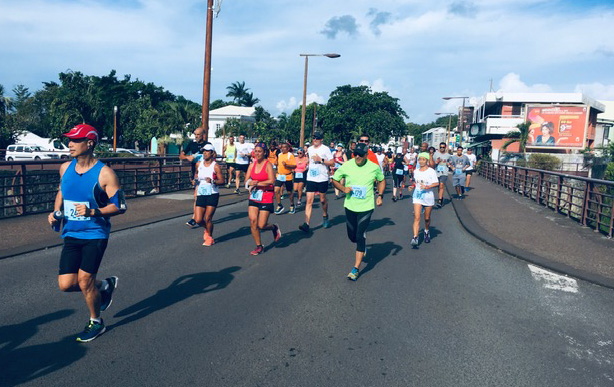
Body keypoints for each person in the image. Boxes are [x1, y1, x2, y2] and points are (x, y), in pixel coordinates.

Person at [48, 124, 126, 342]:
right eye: (69, 140)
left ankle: (96, 321)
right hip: (71, 232)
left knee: (84, 280)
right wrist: (56, 212)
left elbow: (120, 206)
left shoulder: (105, 174)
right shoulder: (65, 168)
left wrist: (93, 211)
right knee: (66, 285)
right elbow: (62, 192)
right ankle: (104, 286)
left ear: (89, 143)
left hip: (95, 233)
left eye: (75, 140)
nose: (70, 144)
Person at [332, 142, 385, 281]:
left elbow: (382, 180)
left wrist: (380, 195)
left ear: (366, 155)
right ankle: (362, 246)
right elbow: (335, 179)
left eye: (361, 155)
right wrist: (343, 189)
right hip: (350, 205)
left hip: (366, 206)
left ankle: (355, 269)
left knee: (360, 236)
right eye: (356, 154)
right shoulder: (348, 165)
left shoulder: (373, 167)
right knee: (352, 237)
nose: (358, 157)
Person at [246, 142, 281, 255]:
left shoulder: (268, 165)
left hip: (266, 195)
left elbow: (272, 181)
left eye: (259, 151)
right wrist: (250, 183)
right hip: (254, 195)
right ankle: (259, 246)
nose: (257, 153)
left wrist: (258, 183)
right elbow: (246, 181)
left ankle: (273, 227)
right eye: (255, 151)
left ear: (264, 152)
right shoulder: (252, 165)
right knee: (253, 221)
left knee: (261, 225)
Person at [299, 131, 334, 233]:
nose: (314, 140)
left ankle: (325, 215)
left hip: (322, 178)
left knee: (322, 200)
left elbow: (332, 162)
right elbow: (310, 161)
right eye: (313, 138)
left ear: (321, 139)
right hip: (311, 178)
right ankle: (307, 224)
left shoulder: (325, 149)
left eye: (317, 138)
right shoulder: (309, 149)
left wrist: (321, 160)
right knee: (309, 200)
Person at [194, 144, 225, 246]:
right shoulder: (199, 164)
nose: (204, 153)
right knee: (198, 219)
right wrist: (194, 180)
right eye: (203, 151)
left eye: (207, 151)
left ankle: (210, 237)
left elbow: (222, 181)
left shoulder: (215, 166)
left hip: (212, 193)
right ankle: (207, 229)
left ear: (212, 153)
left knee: (208, 218)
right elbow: (196, 175)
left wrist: (213, 181)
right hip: (201, 192)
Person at [180, 127, 210, 228]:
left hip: (207, 174)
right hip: (196, 174)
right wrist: (188, 157)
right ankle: (195, 218)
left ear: (203, 135)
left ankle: (200, 215)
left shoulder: (208, 145)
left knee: (204, 196)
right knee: (196, 196)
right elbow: (181, 155)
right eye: (195, 135)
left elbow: (214, 157)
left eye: (198, 135)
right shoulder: (192, 144)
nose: (196, 137)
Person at [408, 152, 439, 247]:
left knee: (426, 218)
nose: (421, 161)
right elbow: (416, 182)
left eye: (423, 159)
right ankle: (415, 237)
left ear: (427, 161)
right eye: (420, 159)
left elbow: (436, 183)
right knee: (417, 217)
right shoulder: (416, 171)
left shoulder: (431, 171)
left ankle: (426, 230)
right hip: (417, 195)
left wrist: (427, 186)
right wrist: (412, 186)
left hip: (428, 196)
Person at [274, 142, 296, 214]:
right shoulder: (279, 155)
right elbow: (277, 163)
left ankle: (292, 205)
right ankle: (279, 205)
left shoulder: (290, 155)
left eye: (284, 147)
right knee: (276, 190)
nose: (283, 149)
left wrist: (286, 165)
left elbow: (294, 166)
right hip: (280, 175)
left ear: (288, 148)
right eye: (282, 147)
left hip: (288, 176)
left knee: (289, 192)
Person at [433, 142, 451, 208]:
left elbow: (450, 163)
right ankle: (440, 197)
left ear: (445, 147)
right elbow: (432, 164)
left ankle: (440, 200)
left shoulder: (448, 155)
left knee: (441, 185)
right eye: (441, 147)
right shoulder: (435, 154)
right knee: (439, 186)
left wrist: (449, 164)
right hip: (437, 172)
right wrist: (436, 162)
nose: (442, 148)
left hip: (444, 172)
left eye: (443, 147)